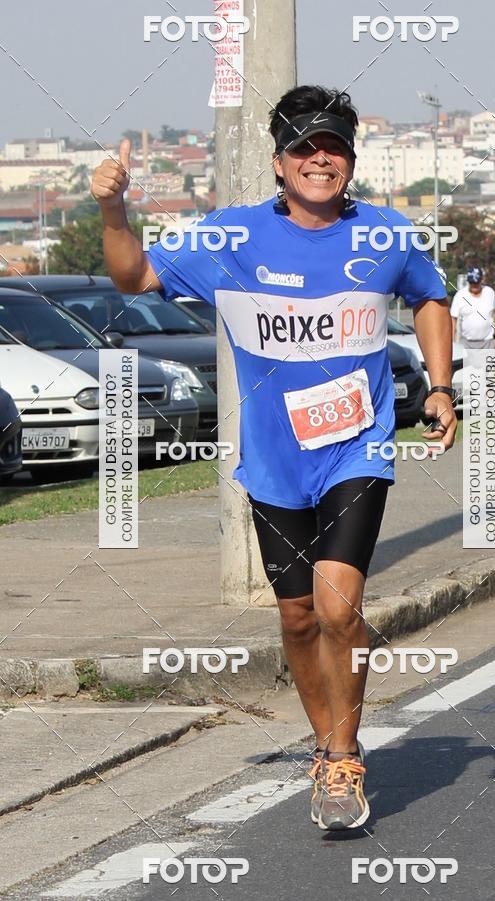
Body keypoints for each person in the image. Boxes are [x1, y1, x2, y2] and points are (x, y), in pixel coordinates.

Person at [91, 85, 457, 831]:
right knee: (295, 619)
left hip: (357, 447)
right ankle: (325, 745)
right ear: (279, 161)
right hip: (272, 457)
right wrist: (112, 209)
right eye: (304, 148)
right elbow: (133, 276)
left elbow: (429, 297)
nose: (321, 160)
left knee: (336, 605)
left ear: (351, 161)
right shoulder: (231, 238)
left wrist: (441, 387)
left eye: (336, 148)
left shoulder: (386, 236)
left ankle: (346, 752)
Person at [450, 266, 495, 349]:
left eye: (477, 282)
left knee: (491, 362)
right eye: (472, 282)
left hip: (488, 342)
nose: (474, 285)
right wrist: (452, 344)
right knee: (469, 362)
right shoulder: (460, 295)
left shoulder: (489, 292)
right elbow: (453, 320)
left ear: (482, 280)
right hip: (466, 344)